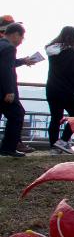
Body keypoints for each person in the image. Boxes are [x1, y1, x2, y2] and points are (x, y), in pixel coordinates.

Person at [44, 26, 74, 154]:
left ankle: (54, 147)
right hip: (68, 90)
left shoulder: (53, 51)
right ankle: (63, 141)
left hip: (52, 89)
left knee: (55, 118)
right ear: (73, 38)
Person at [0, 22, 27, 158]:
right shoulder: (10, 48)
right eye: (22, 38)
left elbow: (7, 63)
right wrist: (9, 91)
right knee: (17, 114)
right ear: (16, 34)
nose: (21, 41)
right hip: (4, 90)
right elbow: (6, 70)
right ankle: (8, 147)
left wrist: (23, 61)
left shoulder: (1, 45)